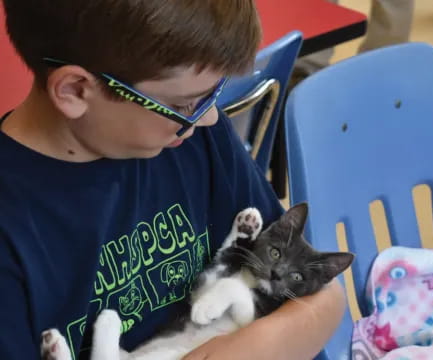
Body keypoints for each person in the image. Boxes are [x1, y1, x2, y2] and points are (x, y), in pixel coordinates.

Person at [0, 1, 347, 359]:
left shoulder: (193, 141)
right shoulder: (14, 228)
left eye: (211, 94)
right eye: (184, 106)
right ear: (74, 90)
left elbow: (326, 300)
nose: (210, 117)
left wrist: (253, 347)